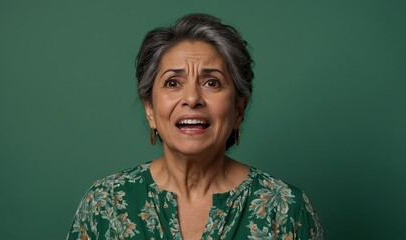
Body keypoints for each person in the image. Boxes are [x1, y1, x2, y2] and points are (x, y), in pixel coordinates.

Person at [67, 13, 324, 240]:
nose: (192, 98)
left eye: (211, 82)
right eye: (172, 83)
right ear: (150, 110)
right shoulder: (105, 204)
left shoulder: (286, 208)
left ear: (238, 109)